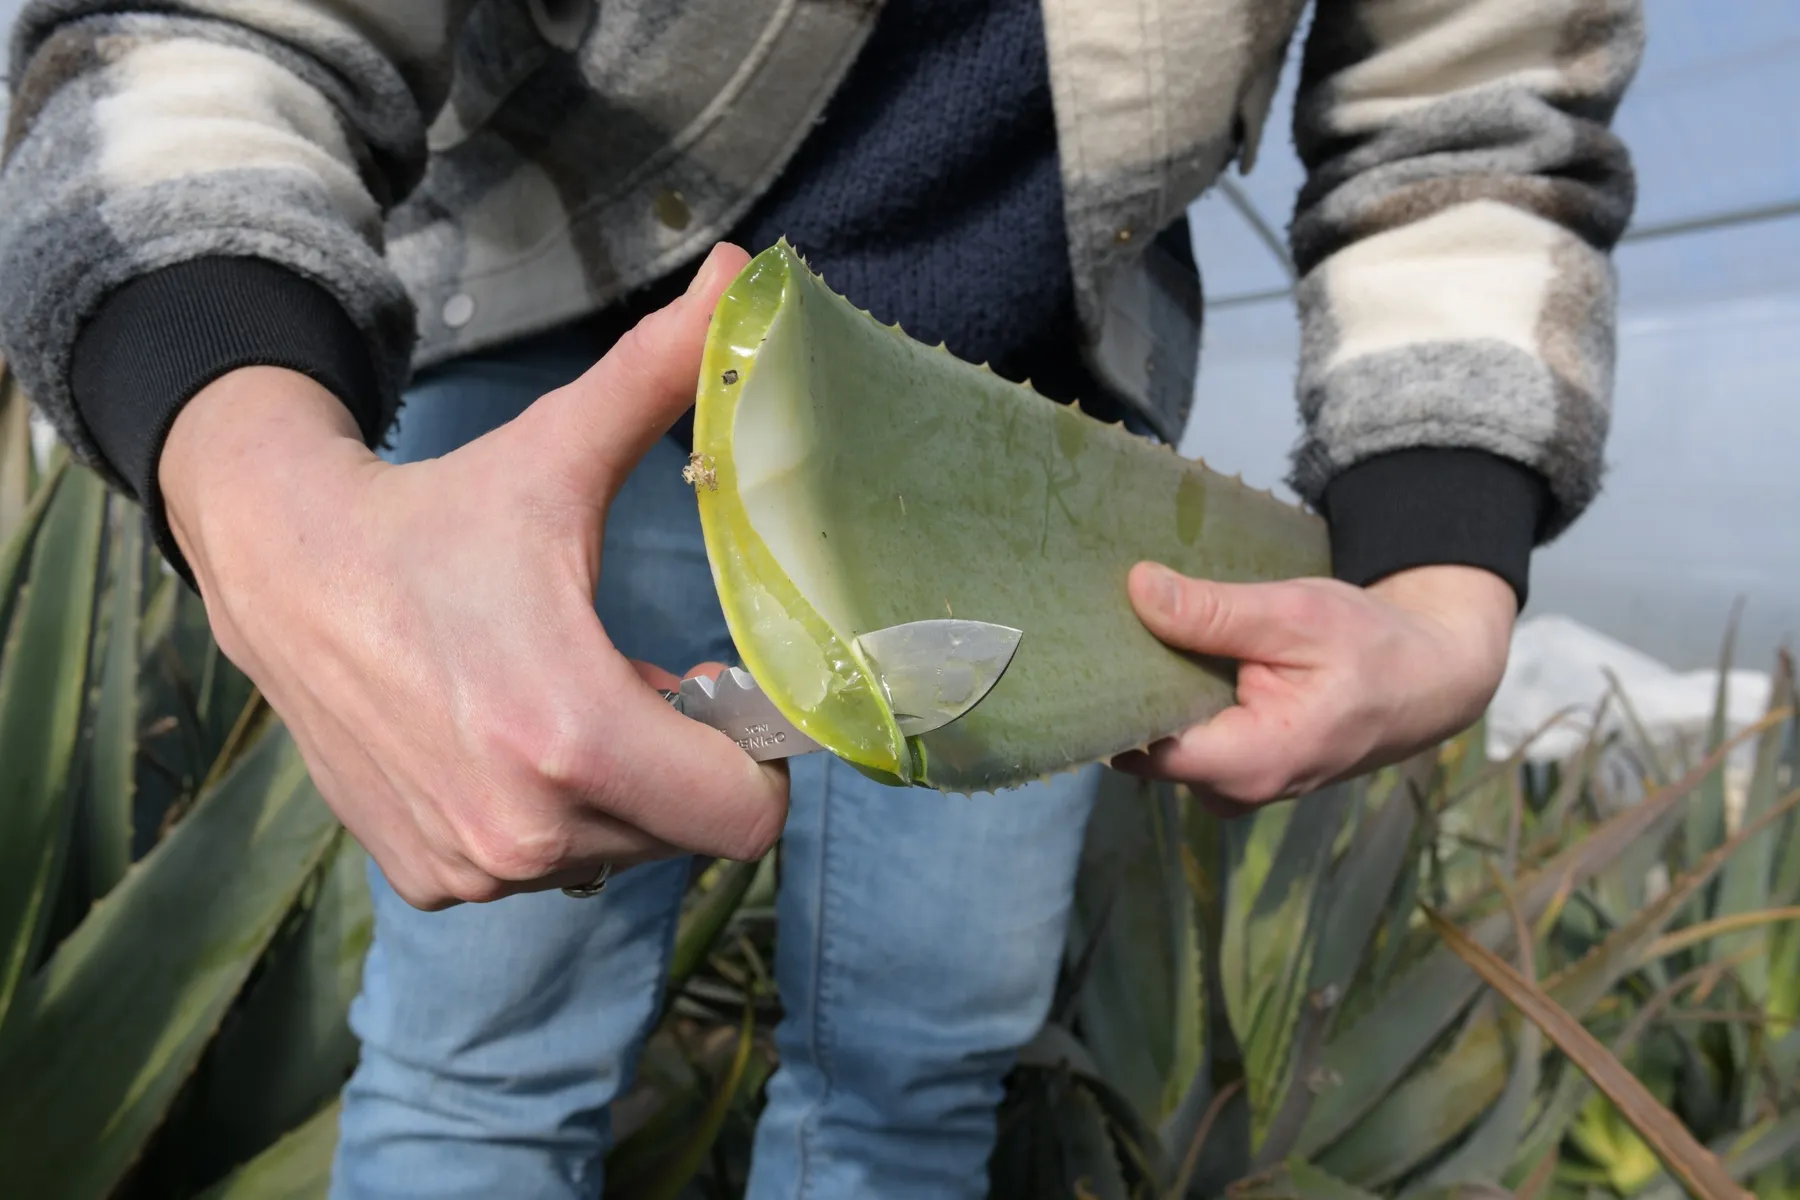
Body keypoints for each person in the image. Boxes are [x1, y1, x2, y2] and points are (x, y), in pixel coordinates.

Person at [0, 1, 1643, 1195]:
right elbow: (209, 24)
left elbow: (1475, 99)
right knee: (484, 1072)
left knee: (917, 1086)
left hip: (1043, 450)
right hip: (579, 373)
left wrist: (1443, 569)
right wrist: (263, 486)